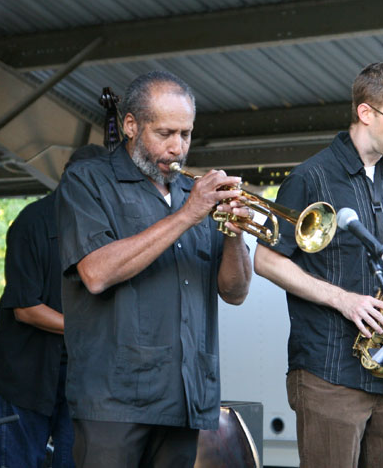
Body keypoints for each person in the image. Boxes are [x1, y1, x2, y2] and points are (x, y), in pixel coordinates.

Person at [56, 70, 253, 468]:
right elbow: (96, 274)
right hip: (114, 401)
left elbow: (235, 292)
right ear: (130, 125)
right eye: (165, 133)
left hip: (185, 397)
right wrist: (188, 214)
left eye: (186, 134)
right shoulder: (87, 180)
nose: (177, 148)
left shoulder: (190, 194)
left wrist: (234, 235)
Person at [254, 62, 383, 468]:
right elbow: (265, 260)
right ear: (365, 113)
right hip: (329, 371)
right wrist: (344, 300)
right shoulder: (310, 176)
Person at [0, 144, 107, 468]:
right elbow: (26, 308)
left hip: (79, 376)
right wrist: (88, 329)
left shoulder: (101, 228)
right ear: (73, 180)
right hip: (25, 374)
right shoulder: (31, 223)